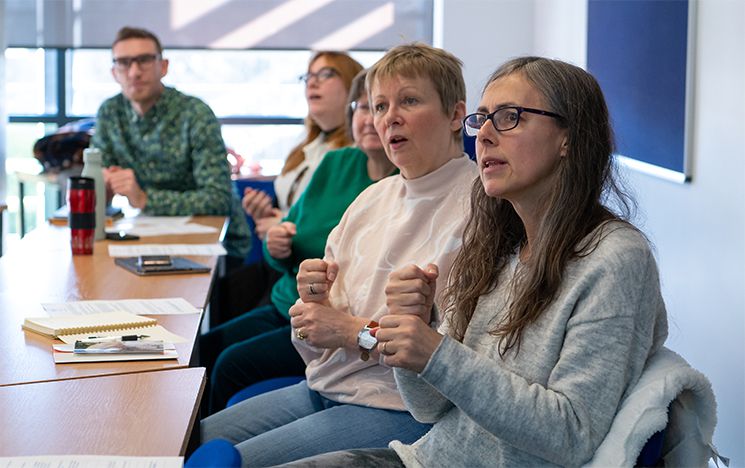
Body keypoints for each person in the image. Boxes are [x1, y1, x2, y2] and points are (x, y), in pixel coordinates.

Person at [283, 57, 670, 467]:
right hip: (424, 457)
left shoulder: (615, 258)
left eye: (508, 118)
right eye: (482, 119)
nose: (483, 135)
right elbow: (430, 407)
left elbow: (571, 434)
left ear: (569, 138)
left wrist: (434, 351)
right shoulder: (501, 245)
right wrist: (416, 327)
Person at [200, 43, 478, 466]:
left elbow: (455, 360)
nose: (390, 118)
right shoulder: (370, 200)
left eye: (409, 101)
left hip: (398, 408)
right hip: (325, 385)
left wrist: (349, 330)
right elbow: (317, 334)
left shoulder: (479, 208)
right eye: (380, 105)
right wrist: (310, 304)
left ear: (456, 115)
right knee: (186, 440)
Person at [201, 69, 397, 413]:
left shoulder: (400, 185)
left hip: (327, 324)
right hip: (284, 304)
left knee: (229, 364)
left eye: (380, 107)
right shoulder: (336, 162)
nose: (370, 119)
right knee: (202, 347)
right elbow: (286, 238)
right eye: (363, 107)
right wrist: (277, 245)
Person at [216, 51, 363, 320]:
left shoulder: (354, 156)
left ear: (353, 87)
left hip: (302, 267)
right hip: (279, 258)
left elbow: (332, 224)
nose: (312, 83)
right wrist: (265, 214)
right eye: (309, 76)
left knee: (222, 331)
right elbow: (294, 207)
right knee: (217, 300)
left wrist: (280, 223)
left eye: (326, 74)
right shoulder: (306, 146)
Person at [92, 26, 249, 262]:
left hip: (217, 246)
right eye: (124, 63)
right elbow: (98, 180)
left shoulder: (194, 113)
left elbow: (218, 199)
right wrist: (101, 185)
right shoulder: (110, 113)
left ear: (163, 67)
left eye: (144, 60)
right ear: (114, 72)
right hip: (145, 238)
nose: (134, 72)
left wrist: (145, 198)